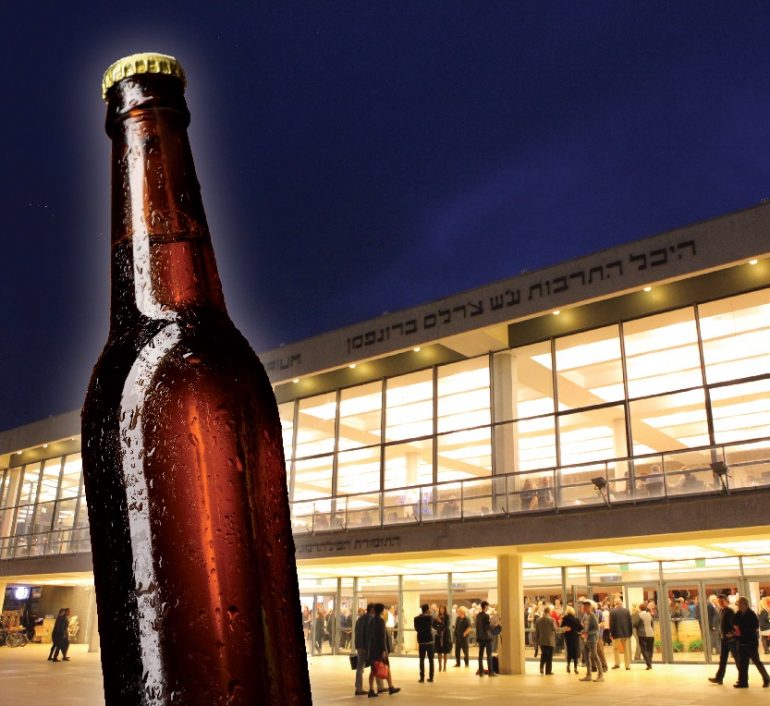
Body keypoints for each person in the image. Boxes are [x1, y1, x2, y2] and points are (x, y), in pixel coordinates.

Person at [732, 596, 770, 688]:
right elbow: (733, 622)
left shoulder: (751, 614)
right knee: (743, 663)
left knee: (756, 661)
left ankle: (767, 678)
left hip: (750, 642)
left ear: (744, 604)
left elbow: (755, 626)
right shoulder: (738, 613)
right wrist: (735, 629)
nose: (738, 606)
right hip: (741, 641)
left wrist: (741, 629)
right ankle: (743, 682)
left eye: (739, 604)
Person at [367, 604, 400, 697]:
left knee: (373, 670)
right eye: (384, 610)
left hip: (373, 648)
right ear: (381, 611)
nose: (385, 611)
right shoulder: (380, 621)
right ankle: (390, 688)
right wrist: (383, 650)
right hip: (380, 649)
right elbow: (382, 636)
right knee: (386, 667)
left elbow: (370, 635)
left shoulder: (371, 620)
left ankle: (372, 689)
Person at [708, 594, 739, 685]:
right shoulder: (721, 611)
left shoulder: (729, 611)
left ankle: (743, 678)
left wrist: (731, 635)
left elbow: (734, 624)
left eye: (722, 601)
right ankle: (719, 678)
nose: (720, 603)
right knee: (723, 659)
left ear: (726, 601)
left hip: (730, 640)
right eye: (719, 601)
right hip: (724, 639)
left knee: (737, 659)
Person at [354, 604, 384, 696]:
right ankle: (380, 687)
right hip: (367, 646)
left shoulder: (360, 619)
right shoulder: (371, 619)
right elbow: (370, 634)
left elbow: (356, 631)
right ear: (372, 610)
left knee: (360, 667)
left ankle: (358, 688)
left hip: (359, 645)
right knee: (375, 666)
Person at [579, 600, 603, 682]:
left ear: (589, 607)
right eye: (583, 606)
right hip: (585, 639)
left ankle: (600, 675)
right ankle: (588, 675)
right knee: (586, 657)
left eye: (585, 606)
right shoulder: (585, 616)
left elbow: (597, 629)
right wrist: (582, 631)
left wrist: (587, 633)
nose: (583, 608)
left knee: (595, 656)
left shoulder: (593, 616)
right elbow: (583, 626)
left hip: (592, 640)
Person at [414, 604, 435, 683]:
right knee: (431, 660)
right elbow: (431, 626)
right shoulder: (430, 618)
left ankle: (422, 677)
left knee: (421, 660)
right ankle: (431, 677)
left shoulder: (416, 618)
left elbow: (416, 629)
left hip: (421, 641)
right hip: (429, 641)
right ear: (427, 610)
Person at [610, 598, 632, 670]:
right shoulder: (627, 611)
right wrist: (630, 632)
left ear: (615, 603)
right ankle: (627, 666)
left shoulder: (612, 611)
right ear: (621, 603)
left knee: (616, 649)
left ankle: (617, 664)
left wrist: (611, 633)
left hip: (617, 634)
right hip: (626, 633)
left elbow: (612, 624)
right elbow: (630, 622)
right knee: (626, 649)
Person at [534, 604, 557, 675]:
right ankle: (548, 671)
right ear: (549, 612)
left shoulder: (538, 620)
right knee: (549, 656)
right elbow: (555, 629)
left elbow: (536, 631)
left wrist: (537, 641)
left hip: (541, 641)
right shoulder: (552, 620)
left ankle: (541, 667)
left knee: (544, 654)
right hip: (550, 641)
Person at [475, 601, 495, 677]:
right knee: (489, 656)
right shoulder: (486, 616)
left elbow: (478, 627)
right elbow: (487, 627)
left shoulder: (478, 616)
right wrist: (492, 624)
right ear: (485, 606)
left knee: (480, 656)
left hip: (480, 638)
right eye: (487, 606)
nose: (488, 608)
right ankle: (490, 672)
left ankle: (481, 672)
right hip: (487, 639)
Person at [560, 606, 582, 674]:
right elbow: (580, 628)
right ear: (573, 611)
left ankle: (568, 666)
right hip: (575, 636)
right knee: (575, 651)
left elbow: (561, 627)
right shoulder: (576, 619)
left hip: (568, 637)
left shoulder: (565, 619)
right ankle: (575, 668)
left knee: (569, 651)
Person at [634, 602, 654, 670]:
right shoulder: (649, 614)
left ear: (640, 609)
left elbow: (635, 624)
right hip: (651, 634)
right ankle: (650, 662)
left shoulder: (639, 615)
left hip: (642, 634)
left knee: (644, 649)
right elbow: (652, 624)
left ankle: (648, 664)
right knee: (650, 649)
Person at [434, 605, 452, 672]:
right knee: (439, 651)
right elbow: (434, 625)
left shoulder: (447, 616)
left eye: (442, 609)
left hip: (445, 635)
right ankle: (440, 666)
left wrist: (440, 622)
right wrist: (438, 626)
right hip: (438, 635)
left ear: (445, 609)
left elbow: (447, 625)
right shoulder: (437, 616)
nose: (441, 610)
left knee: (445, 651)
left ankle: (444, 666)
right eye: (440, 609)